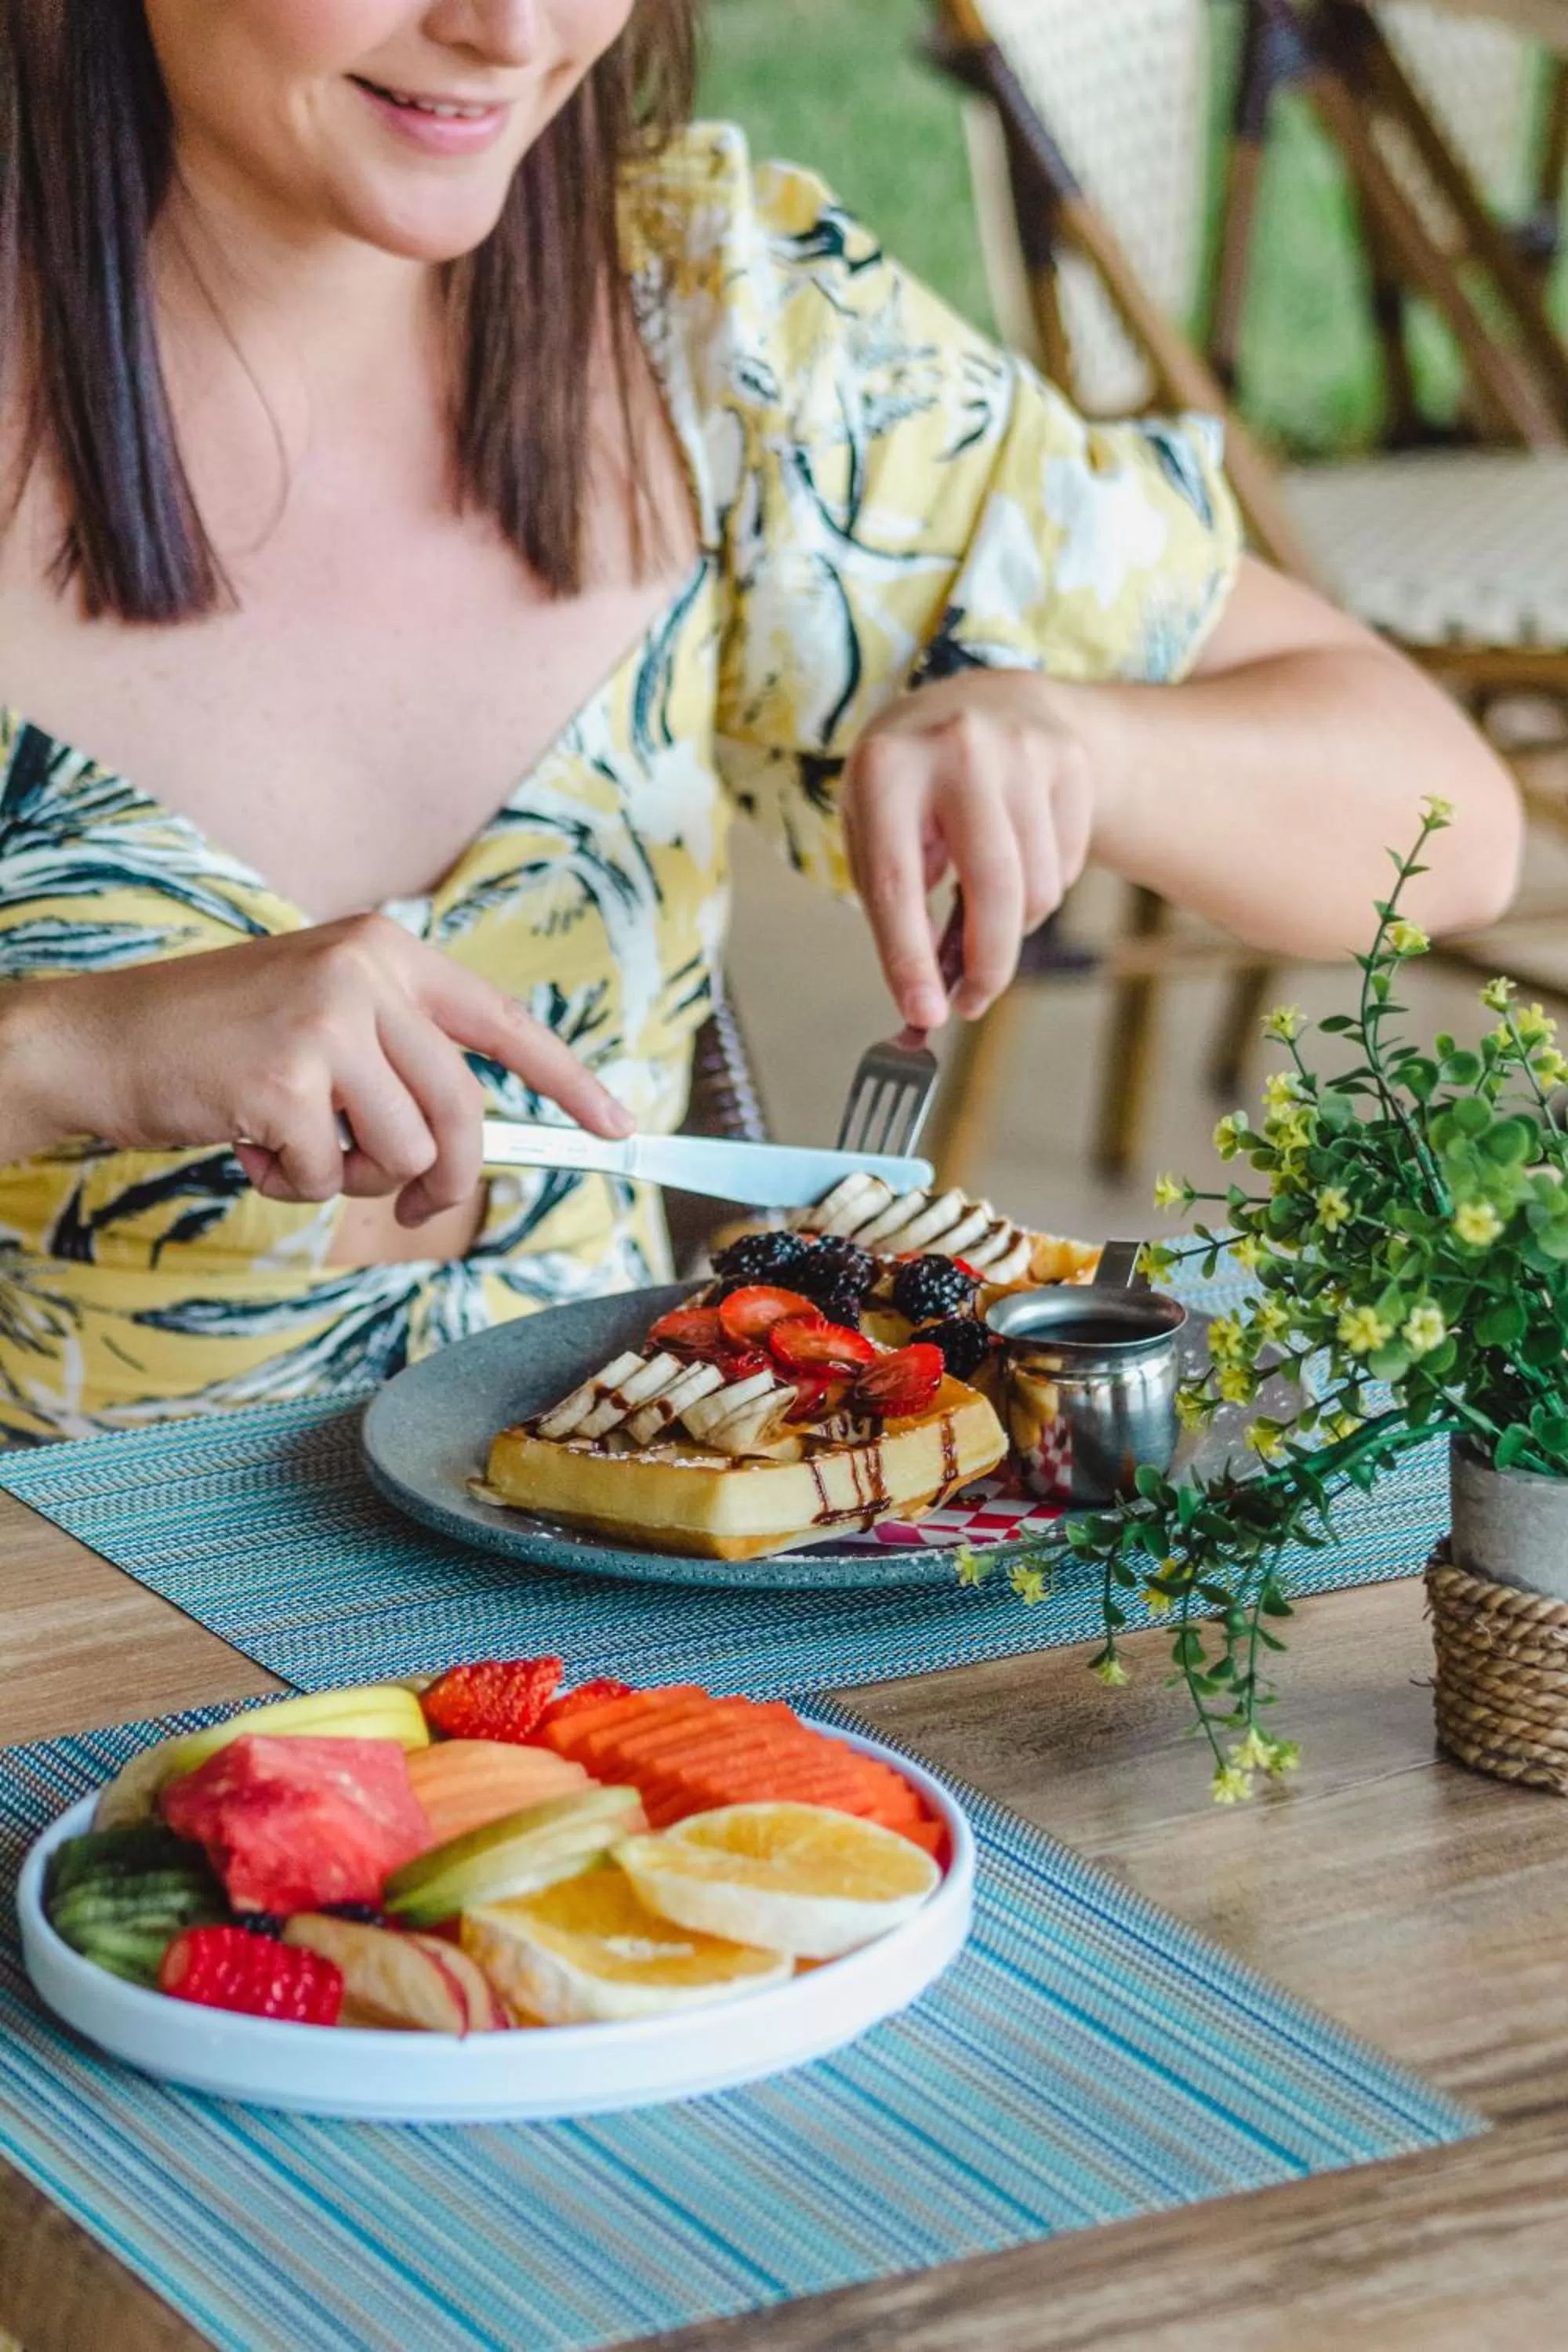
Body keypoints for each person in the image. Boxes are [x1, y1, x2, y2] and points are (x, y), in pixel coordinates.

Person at [0, 1, 1521, 1442]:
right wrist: (67, 1053)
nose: (512, 33)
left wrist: (1094, 742)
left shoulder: (712, 321)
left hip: (595, 1631)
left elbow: (1446, 819)